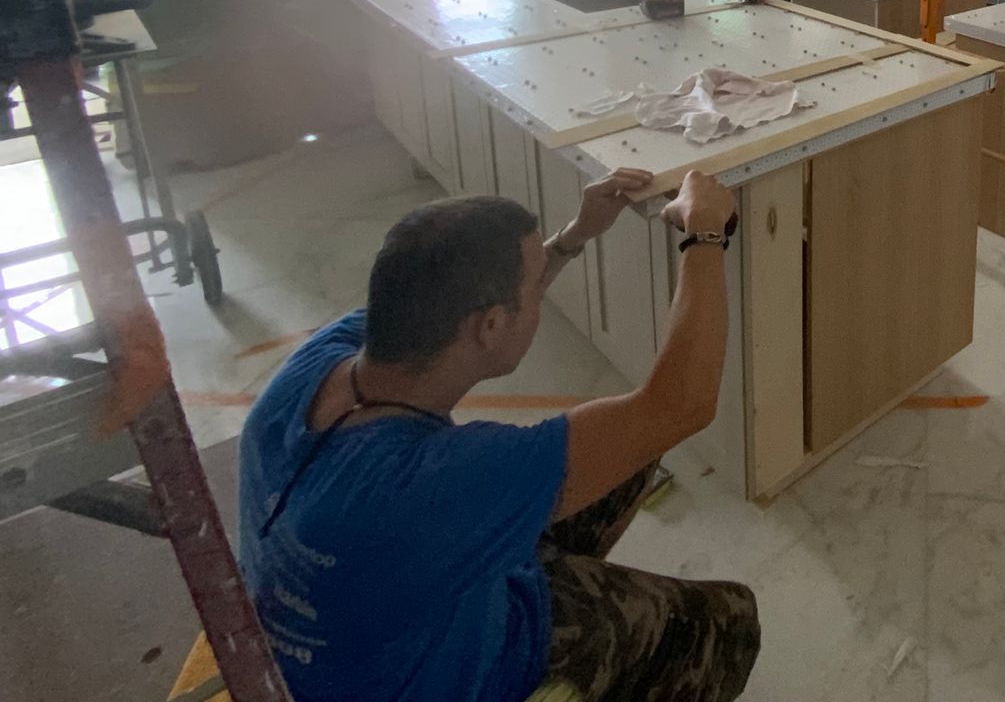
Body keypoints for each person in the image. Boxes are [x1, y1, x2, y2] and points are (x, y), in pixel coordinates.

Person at [236, 168, 760, 702]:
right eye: (533, 289)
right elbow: (681, 405)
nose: (539, 297)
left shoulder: (324, 361)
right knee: (729, 620)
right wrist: (705, 231)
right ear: (489, 326)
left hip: (368, 631)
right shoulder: (439, 481)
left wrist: (574, 236)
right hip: (442, 670)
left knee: (632, 454)